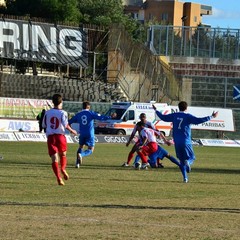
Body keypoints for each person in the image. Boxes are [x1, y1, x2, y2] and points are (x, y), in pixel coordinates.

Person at [153, 101, 218, 183]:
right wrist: (212, 116)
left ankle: (185, 178)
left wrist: (156, 110)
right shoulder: (188, 116)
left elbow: (163, 117)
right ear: (186, 108)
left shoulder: (174, 115)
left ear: (178, 107)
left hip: (177, 141)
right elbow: (199, 120)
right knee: (192, 157)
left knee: (181, 161)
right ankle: (188, 163)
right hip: (185, 141)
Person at [42, 94, 77, 186]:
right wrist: (72, 130)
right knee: (63, 154)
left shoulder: (47, 113)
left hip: (51, 137)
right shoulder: (63, 113)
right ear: (61, 102)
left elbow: (44, 125)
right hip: (60, 136)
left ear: (53, 102)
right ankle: (63, 169)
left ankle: (58, 178)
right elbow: (65, 125)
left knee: (54, 159)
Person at [69, 101, 115, 168]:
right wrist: (110, 116)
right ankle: (81, 155)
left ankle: (77, 164)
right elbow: (101, 117)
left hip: (82, 133)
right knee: (90, 150)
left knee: (80, 147)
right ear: (89, 107)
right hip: (89, 133)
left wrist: (71, 129)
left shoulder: (78, 114)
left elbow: (69, 121)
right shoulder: (90, 113)